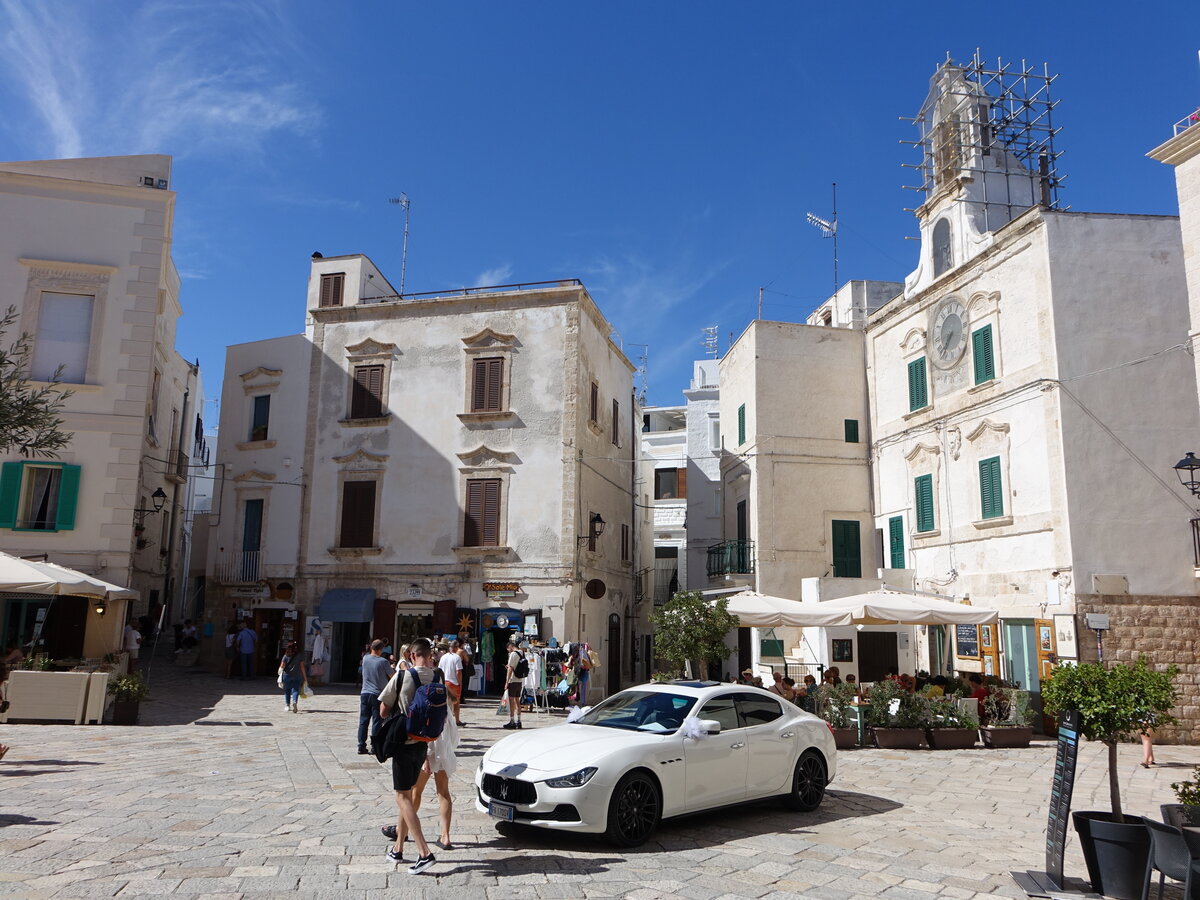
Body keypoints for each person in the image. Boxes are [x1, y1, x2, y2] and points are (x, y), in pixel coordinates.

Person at [378, 638, 439, 876]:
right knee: (408, 794)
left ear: (412, 655)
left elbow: (383, 708)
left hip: (404, 743)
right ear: (430, 655)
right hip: (423, 744)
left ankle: (424, 853)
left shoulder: (403, 676)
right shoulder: (437, 677)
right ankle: (398, 847)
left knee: (402, 797)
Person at [359, 640, 393, 754]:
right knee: (377, 721)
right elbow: (392, 676)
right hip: (378, 694)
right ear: (380, 649)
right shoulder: (383, 661)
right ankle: (374, 746)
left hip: (365, 693)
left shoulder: (365, 658)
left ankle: (361, 745)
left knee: (363, 720)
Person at [440, 639, 464, 727]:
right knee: (456, 703)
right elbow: (458, 672)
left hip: (445, 681)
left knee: (446, 702)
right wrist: (460, 683)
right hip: (453, 682)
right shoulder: (457, 657)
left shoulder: (443, 657)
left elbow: (440, 670)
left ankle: (445, 719)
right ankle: (456, 720)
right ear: (456, 647)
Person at [278, 641, 306, 713]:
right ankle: (294, 702)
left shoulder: (286, 656)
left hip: (287, 676)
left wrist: (279, 673)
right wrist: (305, 677)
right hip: (297, 675)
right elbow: (302, 667)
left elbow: (282, 666)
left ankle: (287, 705)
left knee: (287, 690)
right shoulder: (299, 656)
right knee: (295, 690)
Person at [504, 638, 523, 729]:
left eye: (508, 648)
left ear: (511, 646)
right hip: (520, 680)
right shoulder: (522, 653)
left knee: (511, 701)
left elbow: (510, 669)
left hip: (513, 680)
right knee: (517, 700)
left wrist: (507, 681)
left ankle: (512, 721)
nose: (508, 650)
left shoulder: (513, 654)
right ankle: (519, 721)